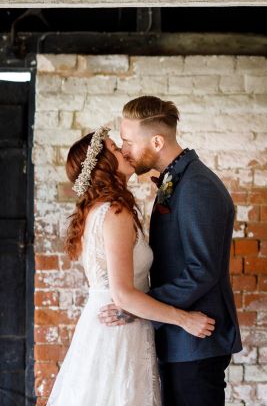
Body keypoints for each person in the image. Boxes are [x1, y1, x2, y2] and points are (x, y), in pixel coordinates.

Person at [48, 127, 215, 405]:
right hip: (116, 333)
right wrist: (184, 319)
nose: (124, 151)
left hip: (111, 324)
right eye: (115, 148)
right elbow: (123, 295)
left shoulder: (98, 209)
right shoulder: (114, 212)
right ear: (103, 165)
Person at [98, 96, 242, 406]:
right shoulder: (176, 180)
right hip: (179, 338)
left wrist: (140, 307)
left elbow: (201, 270)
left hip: (195, 339)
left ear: (157, 141)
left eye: (128, 141)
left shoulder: (196, 186)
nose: (124, 150)